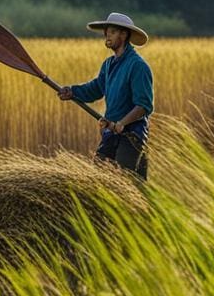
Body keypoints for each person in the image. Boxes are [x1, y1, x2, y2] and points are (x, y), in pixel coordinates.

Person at [58, 12, 153, 179]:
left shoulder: (138, 66)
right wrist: (72, 91)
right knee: (99, 180)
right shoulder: (108, 65)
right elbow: (95, 89)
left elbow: (143, 106)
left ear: (123, 35)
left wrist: (122, 123)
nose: (107, 35)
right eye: (106, 31)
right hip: (111, 132)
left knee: (126, 184)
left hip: (132, 137)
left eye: (112, 32)